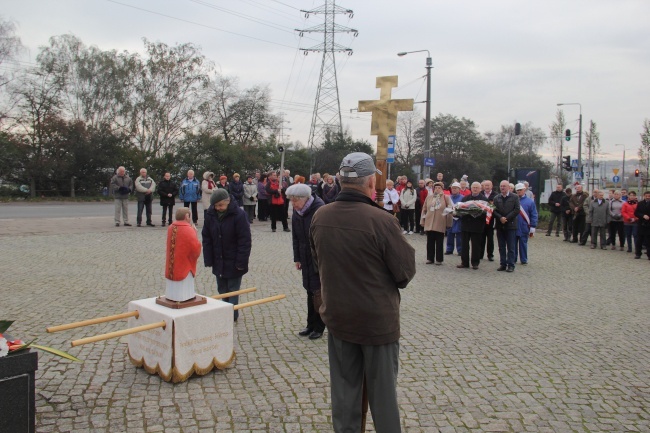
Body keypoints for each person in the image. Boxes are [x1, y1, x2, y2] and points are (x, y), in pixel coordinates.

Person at [310, 152, 416, 433]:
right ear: (371, 182)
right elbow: (405, 273)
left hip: (339, 317)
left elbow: (317, 261)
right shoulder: (382, 221)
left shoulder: (320, 216)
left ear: (341, 181)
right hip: (376, 322)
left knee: (345, 394)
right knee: (383, 397)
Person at [202, 189, 251, 321]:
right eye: (215, 206)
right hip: (218, 258)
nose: (218, 208)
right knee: (222, 289)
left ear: (228, 202)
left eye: (220, 205)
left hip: (234, 260)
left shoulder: (239, 214)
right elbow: (206, 237)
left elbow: (245, 240)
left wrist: (241, 262)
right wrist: (208, 259)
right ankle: (224, 312)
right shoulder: (210, 214)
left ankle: (231, 315)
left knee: (233, 289)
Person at [287, 183, 326, 340]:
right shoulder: (298, 211)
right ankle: (310, 324)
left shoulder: (319, 209)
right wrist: (297, 257)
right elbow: (295, 237)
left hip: (318, 257)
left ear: (304, 198)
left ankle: (320, 326)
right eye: (291, 201)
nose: (292, 204)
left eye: (294, 201)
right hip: (305, 255)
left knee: (319, 292)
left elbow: (324, 238)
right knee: (310, 290)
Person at [164, 208, 202, 302]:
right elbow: (195, 248)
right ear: (186, 216)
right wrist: (195, 233)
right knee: (185, 288)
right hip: (184, 264)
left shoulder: (171, 227)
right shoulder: (188, 229)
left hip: (172, 263)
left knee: (172, 285)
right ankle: (185, 297)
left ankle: (171, 295)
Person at [421, 182, 452, 264]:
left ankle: (439, 259)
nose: (437, 189)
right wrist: (422, 221)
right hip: (429, 221)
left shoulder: (446, 198)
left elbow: (450, 210)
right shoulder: (429, 197)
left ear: (442, 189)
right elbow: (424, 209)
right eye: (436, 188)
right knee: (430, 241)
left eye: (439, 188)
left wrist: (449, 223)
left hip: (440, 222)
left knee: (439, 242)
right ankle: (430, 258)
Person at [458, 182, 487, 270]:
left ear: (480, 189)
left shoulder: (484, 199)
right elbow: (460, 210)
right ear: (471, 188)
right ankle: (464, 262)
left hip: (477, 225)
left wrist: (476, 213)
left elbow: (486, 212)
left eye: (477, 187)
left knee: (476, 245)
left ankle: (475, 263)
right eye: (473, 187)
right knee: (464, 245)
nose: (475, 189)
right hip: (466, 224)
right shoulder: (465, 198)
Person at [493, 180, 520, 272]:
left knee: (511, 246)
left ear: (509, 187)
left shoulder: (515, 197)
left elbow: (517, 210)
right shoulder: (496, 198)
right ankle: (503, 264)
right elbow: (494, 210)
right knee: (501, 246)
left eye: (504, 186)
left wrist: (506, 218)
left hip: (511, 225)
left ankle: (511, 265)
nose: (502, 188)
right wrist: (500, 218)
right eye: (501, 186)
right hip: (500, 225)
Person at [514, 183, 537, 265]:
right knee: (513, 244)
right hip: (514, 225)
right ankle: (513, 259)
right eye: (518, 190)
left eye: (520, 190)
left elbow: (534, 214)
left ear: (524, 190)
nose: (519, 191)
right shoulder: (513, 200)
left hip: (524, 226)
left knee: (523, 244)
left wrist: (533, 226)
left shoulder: (530, 202)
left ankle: (524, 259)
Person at [445, 182, 463, 256]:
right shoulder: (448, 197)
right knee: (450, 235)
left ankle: (460, 250)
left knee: (459, 236)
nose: (454, 189)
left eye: (456, 188)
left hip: (459, 219)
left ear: (459, 189)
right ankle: (449, 249)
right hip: (451, 218)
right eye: (453, 188)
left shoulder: (462, 198)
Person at [481, 180, 497, 261]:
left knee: (490, 238)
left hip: (491, 220)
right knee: (481, 238)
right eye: (485, 185)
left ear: (491, 186)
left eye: (488, 185)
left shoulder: (496, 195)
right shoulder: (480, 194)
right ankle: (480, 254)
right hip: (481, 219)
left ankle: (490, 255)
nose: (487, 187)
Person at [634, 191, 650, 259]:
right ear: (644, 196)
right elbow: (636, 213)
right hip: (641, 224)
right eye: (646, 196)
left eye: (649, 196)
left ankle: (649, 255)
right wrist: (643, 216)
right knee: (639, 240)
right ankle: (638, 253)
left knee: (649, 241)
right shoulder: (640, 203)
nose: (647, 197)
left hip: (649, 224)